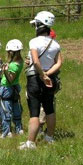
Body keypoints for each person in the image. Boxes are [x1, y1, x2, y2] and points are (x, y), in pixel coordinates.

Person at [19, 11, 63, 150]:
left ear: (39, 25)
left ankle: (31, 142)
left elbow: (36, 61)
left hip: (35, 79)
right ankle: (49, 137)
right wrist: (48, 74)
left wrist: (42, 75)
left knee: (34, 112)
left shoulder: (34, 42)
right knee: (49, 108)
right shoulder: (55, 44)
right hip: (51, 79)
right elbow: (59, 63)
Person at [0, 39, 24, 138]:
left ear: (11, 52)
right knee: (15, 108)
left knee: (6, 109)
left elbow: (10, 79)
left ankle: (6, 132)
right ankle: (19, 129)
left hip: (7, 87)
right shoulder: (19, 62)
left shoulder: (14, 66)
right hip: (14, 87)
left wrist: (5, 71)